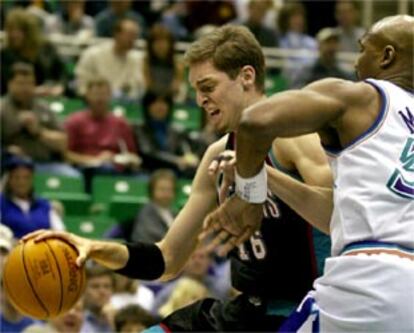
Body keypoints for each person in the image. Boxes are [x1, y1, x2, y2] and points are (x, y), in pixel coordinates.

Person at [22, 25, 333, 332]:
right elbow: (167, 260)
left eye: (208, 87)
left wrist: (263, 176)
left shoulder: (293, 136)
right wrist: (97, 248)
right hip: (248, 311)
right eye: (196, 90)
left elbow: (336, 214)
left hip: (308, 309)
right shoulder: (217, 154)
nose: (199, 100)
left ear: (246, 77)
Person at [204, 15, 414, 332]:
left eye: (362, 49)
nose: (356, 62)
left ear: (386, 56)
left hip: (370, 279)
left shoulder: (361, 97)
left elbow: (255, 121)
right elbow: (334, 212)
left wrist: (250, 195)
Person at [0, 62, 78, 177]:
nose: (25, 88)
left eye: (29, 84)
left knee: (72, 177)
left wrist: (39, 131)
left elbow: (62, 143)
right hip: (12, 166)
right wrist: (6, 151)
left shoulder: (43, 108)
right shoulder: (2, 109)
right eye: (20, 84)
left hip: (46, 164)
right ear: (10, 84)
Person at [75, 18, 145, 100]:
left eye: (135, 36)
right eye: (129, 35)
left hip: (126, 103)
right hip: (95, 103)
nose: (132, 40)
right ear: (117, 34)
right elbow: (81, 83)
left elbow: (138, 87)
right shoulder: (93, 54)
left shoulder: (138, 59)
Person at [1, 8, 66, 97]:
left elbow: (61, 73)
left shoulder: (46, 48)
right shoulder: (5, 55)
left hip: (50, 95)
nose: (14, 35)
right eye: (11, 30)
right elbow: (5, 86)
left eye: (19, 30)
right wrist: (32, 91)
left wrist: (60, 87)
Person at [0, 157, 65, 239]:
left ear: (32, 179)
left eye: (26, 177)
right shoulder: (2, 203)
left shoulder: (44, 204)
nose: (21, 182)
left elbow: (60, 232)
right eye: (16, 177)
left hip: (42, 248)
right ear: (9, 179)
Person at [131, 169, 176, 244]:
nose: (166, 194)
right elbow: (150, 236)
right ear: (152, 191)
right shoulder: (146, 212)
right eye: (162, 189)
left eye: (169, 189)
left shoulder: (173, 212)